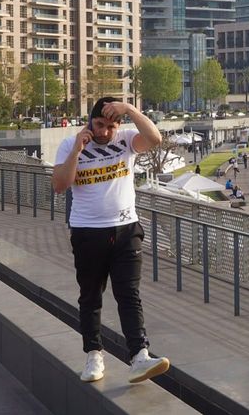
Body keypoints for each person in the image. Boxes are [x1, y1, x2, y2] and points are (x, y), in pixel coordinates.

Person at [51, 97, 170, 384]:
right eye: (100, 124)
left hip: (126, 230)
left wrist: (129, 109)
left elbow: (155, 139)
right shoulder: (70, 145)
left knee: (128, 294)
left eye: (111, 126)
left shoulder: (127, 140)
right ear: (90, 122)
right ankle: (94, 355)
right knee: (90, 296)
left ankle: (139, 355)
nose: (105, 132)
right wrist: (78, 151)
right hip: (87, 232)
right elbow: (59, 185)